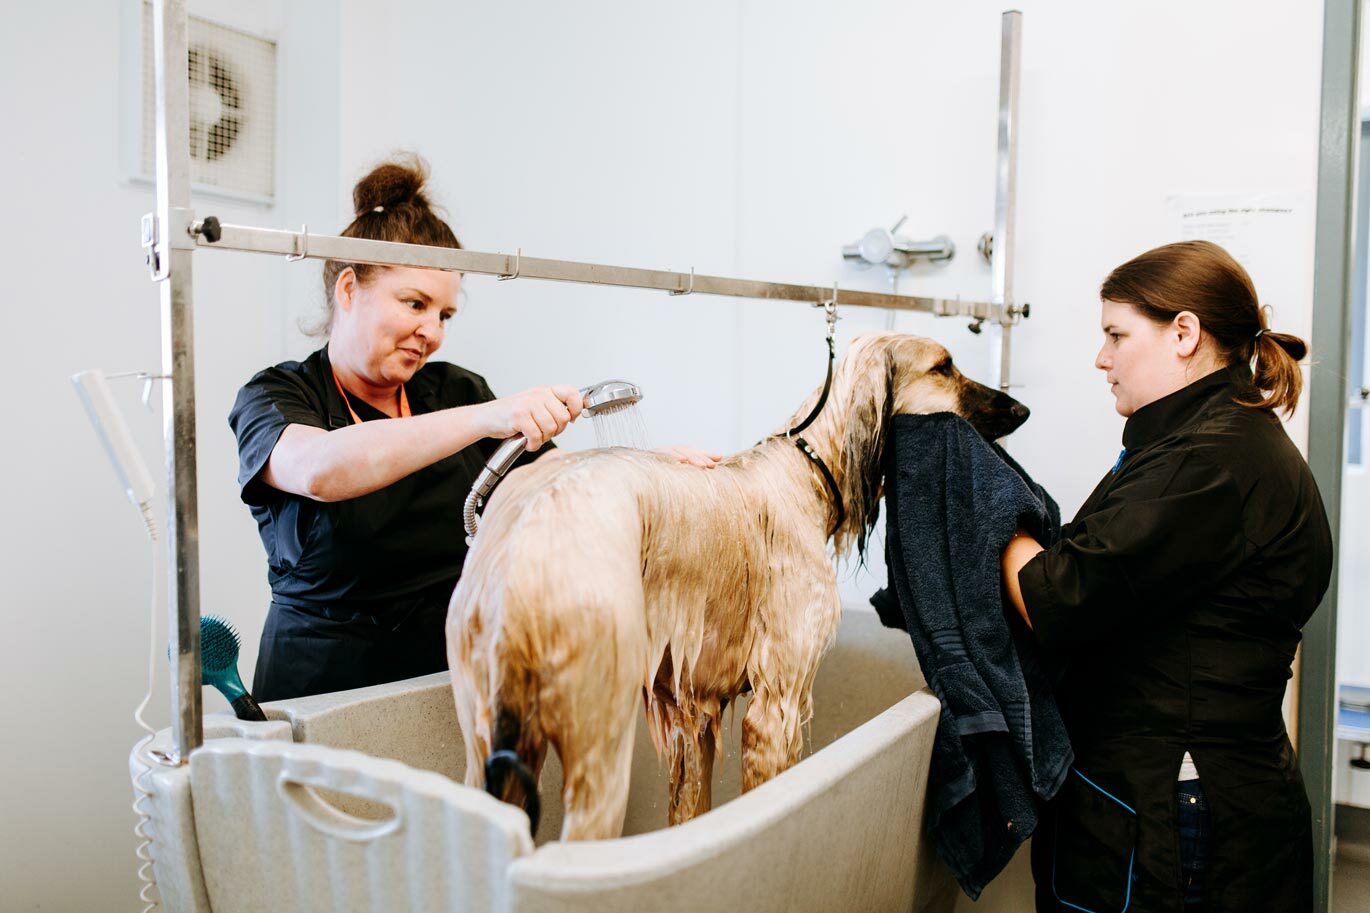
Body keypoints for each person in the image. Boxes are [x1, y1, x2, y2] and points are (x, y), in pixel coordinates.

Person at [230, 155, 720, 702]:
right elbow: (319, 469)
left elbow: (551, 475)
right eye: (414, 303)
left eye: (444, 315)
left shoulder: (453, 389)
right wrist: (490, 416)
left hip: (447, 684)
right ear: (348, 289)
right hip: (322, 692)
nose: (431, 332)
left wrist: (645, 468)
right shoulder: (278, 395)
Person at [1000, 240, 1333, 913]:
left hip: (1176, 812)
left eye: (1116, 334)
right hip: (1206, 793)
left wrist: (995, 516)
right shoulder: (1219, 439)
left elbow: (1057, 595)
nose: (1102, 357)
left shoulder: (1208, 459)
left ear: (1185, 332)